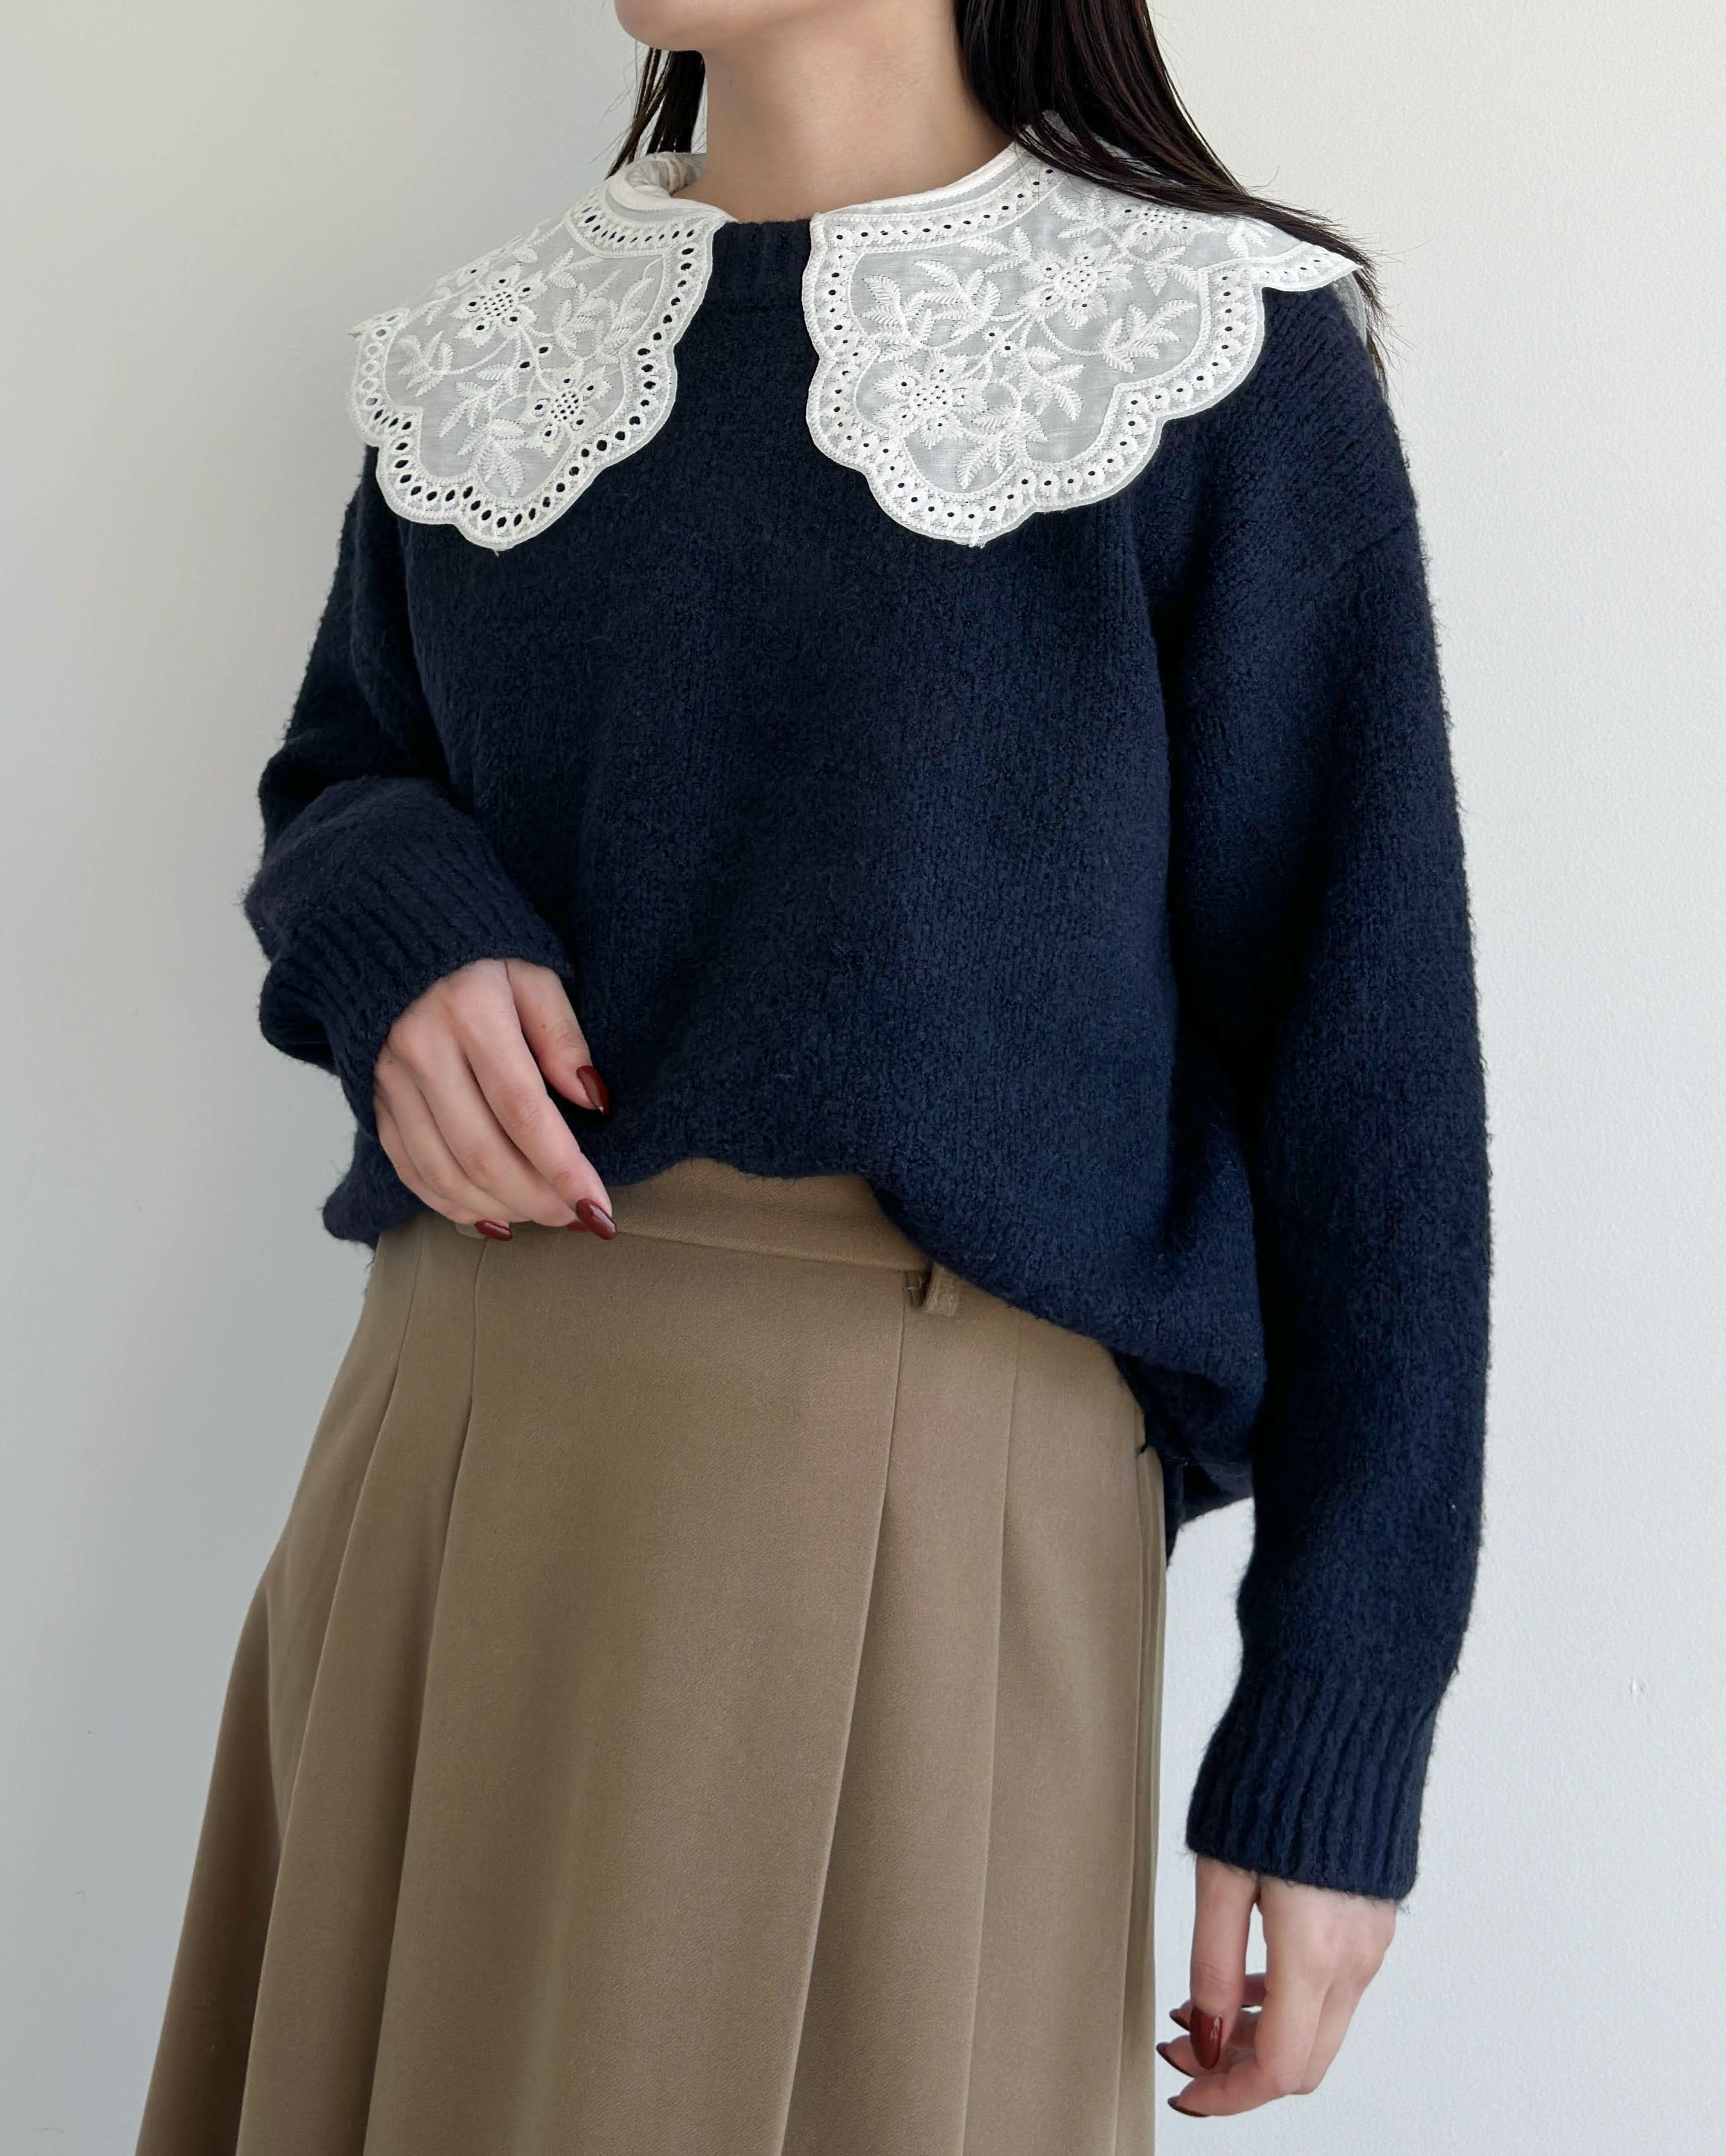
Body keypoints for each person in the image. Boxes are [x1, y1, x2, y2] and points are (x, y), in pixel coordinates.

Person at [137, 0, 1490, 2147]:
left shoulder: (1202, 345)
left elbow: (1370, 1075)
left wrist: (1335, 1734)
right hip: (445, 1449)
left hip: (924, 1503)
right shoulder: (497, 346)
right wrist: (397, 929)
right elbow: (347, 770)